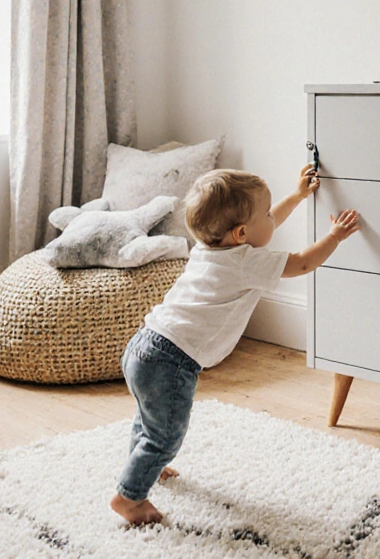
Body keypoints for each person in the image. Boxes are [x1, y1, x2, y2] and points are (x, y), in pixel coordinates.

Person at [109, 165, 360, 525]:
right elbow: (304, 263)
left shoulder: (206, 249)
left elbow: (266, 227)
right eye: (267, 215)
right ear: (242, 233)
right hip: (172, 361)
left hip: (143, 345)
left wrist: (299, 196)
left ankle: (149, 467)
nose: (273, 219)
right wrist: (335, 236)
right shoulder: (246, 262)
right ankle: (129, 498)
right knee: (167, 434)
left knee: (150, 421)